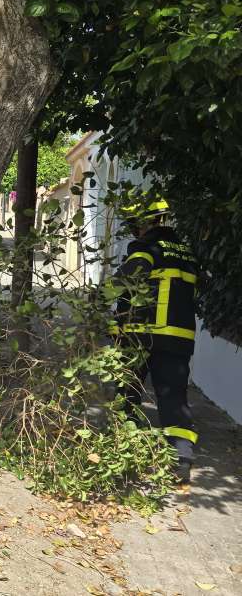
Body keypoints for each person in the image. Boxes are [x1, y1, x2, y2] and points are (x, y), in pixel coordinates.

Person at [111, 197, 200, 484]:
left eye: (136, 225)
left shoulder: (144, 247)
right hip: (179, 337)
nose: (135, 232)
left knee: (128, 389)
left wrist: (102, 296)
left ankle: (124, 449)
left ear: (145, 223)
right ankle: (182, 457)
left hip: (142, 334)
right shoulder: (186, 252)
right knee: (174, 396)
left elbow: (130, 275)